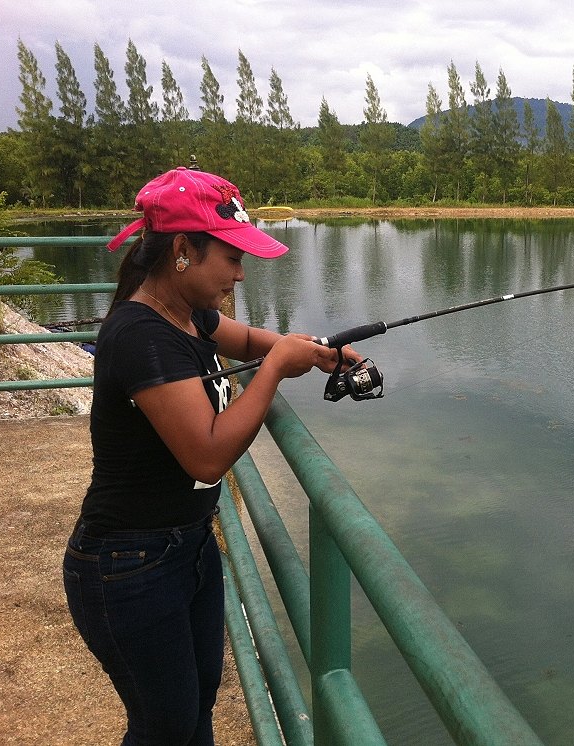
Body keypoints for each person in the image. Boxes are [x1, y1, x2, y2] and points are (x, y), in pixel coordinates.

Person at [63, 166, 360, 745]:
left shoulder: (188, 315)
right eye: (230, 258)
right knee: (165, 727)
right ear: (182, 250)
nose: (240, 274)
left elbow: (246, 340)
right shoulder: (141, 335)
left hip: (188, 547)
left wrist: (311, 349)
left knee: (196, 707)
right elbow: (205, 457)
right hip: (128, 565)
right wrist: (274, 371)